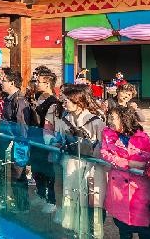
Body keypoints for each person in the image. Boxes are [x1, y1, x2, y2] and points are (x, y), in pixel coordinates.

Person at [54, 83, 106, 236]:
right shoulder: (64, 120)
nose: (65, 103)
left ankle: (93, 232)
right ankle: (74, 229)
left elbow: (103, 145)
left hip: (92, 168)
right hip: (71, 164)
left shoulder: (96, 121)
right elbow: (59, 140)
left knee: (92, 202)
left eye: (68, 100)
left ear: (79, 101)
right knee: (71, 196)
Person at [100, 106, 150, 239]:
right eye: (109, 117)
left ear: (124, 119)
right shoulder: (107, 134)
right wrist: (129, 163)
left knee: (144, 226)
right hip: (119, 186)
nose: (109, 120)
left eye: (113, 118)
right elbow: (104, 154)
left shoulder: (142, 137)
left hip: (139, 187)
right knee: (123, 226)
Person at [0, 67, 33, 213]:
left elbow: (22, 127)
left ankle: (23, 206)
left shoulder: (19, 100)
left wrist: (5, 129)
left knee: (18, 175)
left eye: (3, 80)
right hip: (8, 141)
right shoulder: (9, 99)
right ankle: (15, 202)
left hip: (18, 144)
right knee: (11, 174)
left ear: (12, 82)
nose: (1, 83)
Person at [29, 66, 60, 214]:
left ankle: (51, 200)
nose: (36, 83)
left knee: (48, 171)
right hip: (35, 139)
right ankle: (40, 193)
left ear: (47, 84)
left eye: (39, 81)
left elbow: (50, 124)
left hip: (46, 141)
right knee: (37, 168)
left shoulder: (53, 102)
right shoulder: (37, 96)